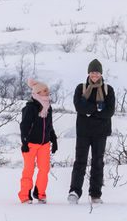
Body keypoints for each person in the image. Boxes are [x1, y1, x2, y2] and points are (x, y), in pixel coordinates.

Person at [69, 58, 118, 204]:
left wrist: (90, 111)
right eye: (92, 72)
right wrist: (96, 109)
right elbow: (79, 107)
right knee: (80, 162)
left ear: (101, 74)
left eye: (97, 72)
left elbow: (109, 111)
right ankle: (74, 192)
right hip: (83, 131)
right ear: (88, 73)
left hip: (100, 133)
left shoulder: (108, 89)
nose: (94, 75)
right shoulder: (81, 88)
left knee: (98, 162)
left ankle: (95, 194)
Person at [18, 80, 59, 203]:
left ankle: (40, 193)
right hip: (30, 144)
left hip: (44, 144)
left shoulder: (48, 107)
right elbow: (24, 126)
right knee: (29, 170)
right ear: (38, 92)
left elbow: (49, 125)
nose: (47, 92)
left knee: (44, 169)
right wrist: (24, 142)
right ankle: (24, 195)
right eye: (44, 90)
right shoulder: (30, 108)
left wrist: (53, 138)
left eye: (47, 90)